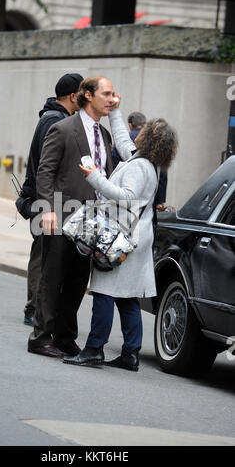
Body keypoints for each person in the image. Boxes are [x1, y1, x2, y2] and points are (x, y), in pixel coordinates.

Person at [63, 96, 178, 371]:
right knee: (127, 297)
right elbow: (123, 140)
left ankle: (94, 349)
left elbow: (126, 197)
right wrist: (115, 113)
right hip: (135, 237)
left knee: (104, 291)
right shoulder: (144, 161)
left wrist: (93, 175)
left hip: (120, 237)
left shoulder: (139, 166)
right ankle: (130, 353)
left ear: (148, 138)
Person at [27, 76, 115, 358]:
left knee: (78, 281)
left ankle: (65, 336)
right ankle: (40, 337)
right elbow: (45, 172)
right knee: (53, 278)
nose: (112, 99)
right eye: (107, 93)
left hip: (92, 222)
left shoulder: (106, 136)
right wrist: (49, 209)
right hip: (62, 215)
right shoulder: (62, 128)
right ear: (87, 95)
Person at [17, 73, 84, 326]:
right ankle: (34, 308)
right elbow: (47, 167)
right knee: (42, 254)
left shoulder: (52, 117)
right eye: (82, 93)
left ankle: (36, 307)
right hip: (46, 200)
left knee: (43, 253)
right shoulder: (55, 121)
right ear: (71, 96)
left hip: (46, 199)